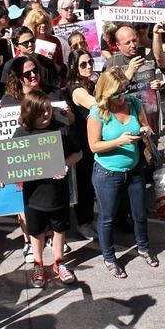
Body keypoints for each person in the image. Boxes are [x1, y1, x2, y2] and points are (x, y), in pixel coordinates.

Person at [88, 67, 158, 278]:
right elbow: (94, 146)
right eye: (116, 93)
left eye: (124, 91)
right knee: (107, 218)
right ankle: (109, 257)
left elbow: (146, 125)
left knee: (139, 213)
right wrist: (120, 141)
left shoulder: (134, 103)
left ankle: (143, 247)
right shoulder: (97, 113)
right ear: (106, 92)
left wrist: (145, 130)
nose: (121, 97)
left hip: (134, 169)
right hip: (107, 173)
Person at [12, 90, 82, 287]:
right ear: (29, 113)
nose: (47, 115)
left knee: (59, 230)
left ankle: (59, 263)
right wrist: (3, 176)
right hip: (33, 196)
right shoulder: (21, 134)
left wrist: (65, 165)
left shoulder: (61, 129)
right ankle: (38, 264)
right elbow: (11, 162)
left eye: (49, 110)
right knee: (36, 232)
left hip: (57, 193)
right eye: (41, 112)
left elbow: (78, 153)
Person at [66, 49, 98, 239]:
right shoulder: (76, 88)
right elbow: (95, 104)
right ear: (74, 67)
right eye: (83, 64)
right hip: (81, 142)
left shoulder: (90, 82)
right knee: (84, 183)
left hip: (92, 139)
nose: (88, 67)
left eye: (90, 62)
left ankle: (89, 219)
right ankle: (83, 222)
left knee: (90, 184)